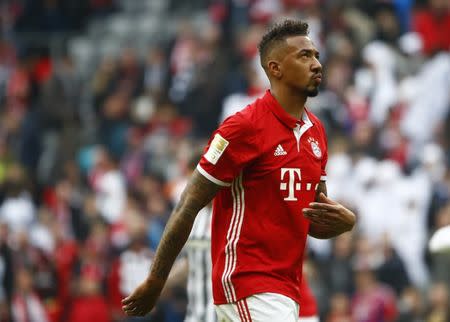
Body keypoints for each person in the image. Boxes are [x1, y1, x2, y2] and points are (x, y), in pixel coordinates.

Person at [122, 19, 356, 321]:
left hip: (287, 288)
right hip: (246, 281)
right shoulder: (244, 127)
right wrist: (156, 280)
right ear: (275, 68)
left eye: (316, 56)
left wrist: (346, 222)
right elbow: (188, 204)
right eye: (304, 56)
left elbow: (313, 217)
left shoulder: (316, 133)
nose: (316, 64)